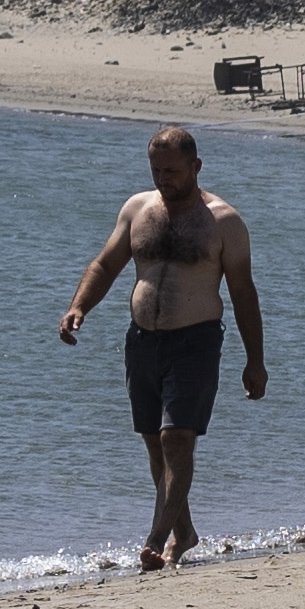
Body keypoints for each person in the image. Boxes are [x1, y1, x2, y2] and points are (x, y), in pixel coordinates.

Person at [52, 125, 267, 567]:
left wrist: (255, 361)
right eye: (156, 170)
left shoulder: (224, 222)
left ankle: (157, 539)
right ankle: (184, 532)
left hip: (195, 342)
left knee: (177, 439)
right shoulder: (138, 209)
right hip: (142, 342)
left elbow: (243, 293)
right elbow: (106, 264)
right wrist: (78, 307)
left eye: (172, 171)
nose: (163, 179)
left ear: (196, 166)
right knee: (155, 442)